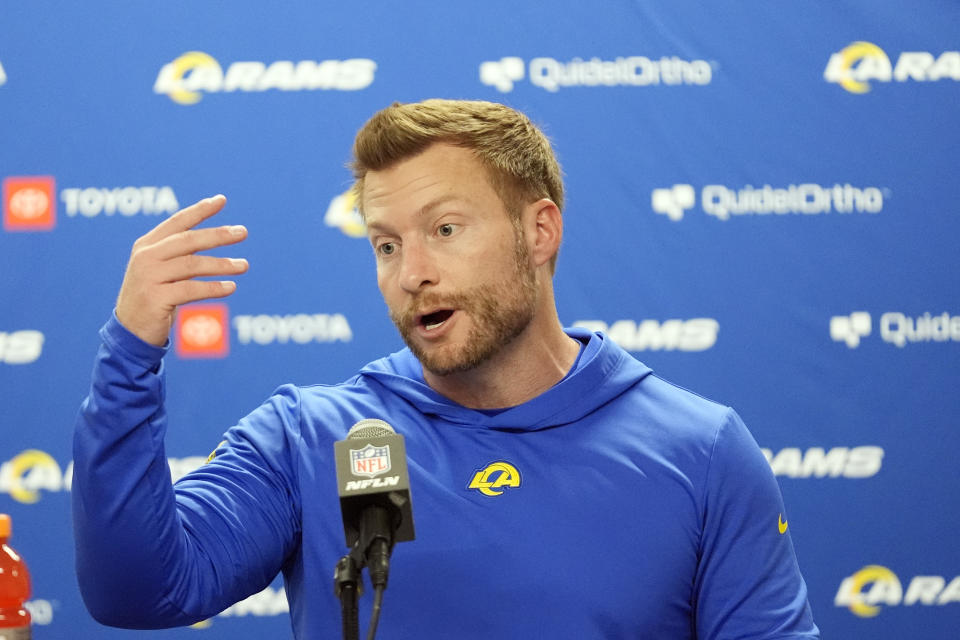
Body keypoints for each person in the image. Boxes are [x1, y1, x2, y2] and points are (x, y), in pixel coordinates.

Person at [72, 99, 820, 639]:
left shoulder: (703, 451)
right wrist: (131, 352)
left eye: (446, 229)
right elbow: (137, 590)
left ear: (540, 231)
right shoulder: (312, 435)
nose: (412, 273)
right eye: (387, 244)